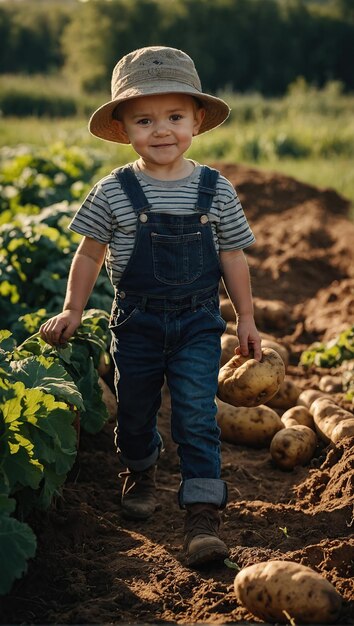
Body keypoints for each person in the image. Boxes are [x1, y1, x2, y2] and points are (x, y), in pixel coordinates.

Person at [39, 46, 261, 568]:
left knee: (196, 417)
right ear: (124, 127)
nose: (161, 131)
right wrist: (73, 309)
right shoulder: (114, 191)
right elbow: (90, 252)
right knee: (136, 414)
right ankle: (140, 470)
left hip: (199, 322)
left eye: (174, 117)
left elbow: (232, 255)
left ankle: (203, 515)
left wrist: (246, 318)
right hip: (135, 321)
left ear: (197, 120)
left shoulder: (216, 189)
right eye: (144, 119)